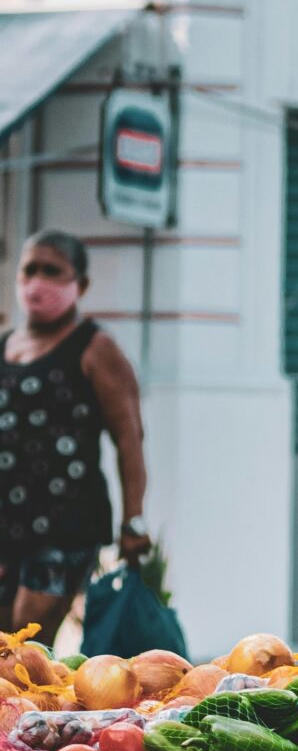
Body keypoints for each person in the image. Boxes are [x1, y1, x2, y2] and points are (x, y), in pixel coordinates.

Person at [0, 230, 149, 642]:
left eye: (52, 271)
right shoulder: (5, 346)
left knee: (23, 647)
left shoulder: (95, 349)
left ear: (79, 285)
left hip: (66, 524)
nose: (37, 281)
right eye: (30, 269)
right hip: (6, 525)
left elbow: (130, 436)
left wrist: (133, 519)